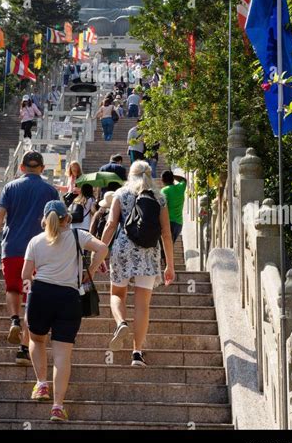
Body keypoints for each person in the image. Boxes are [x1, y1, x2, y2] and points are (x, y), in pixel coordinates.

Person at [22, 200, 107, 422]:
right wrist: (91, 271)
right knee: (62, 355)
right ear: (67, 218)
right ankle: (58, 407)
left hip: (40, 294)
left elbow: (25, 274)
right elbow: (103, 248)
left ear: (44, 219)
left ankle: (41, 384)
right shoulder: (79, 236)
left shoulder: (35, 241)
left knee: (37, 340)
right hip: (69, 298)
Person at [0, 151, 59, 365]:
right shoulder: (50, 191)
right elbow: (59, 224)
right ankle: (23, 349)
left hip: (13, 248)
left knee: (12, 289)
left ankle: (14, 320)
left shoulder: (10, 187)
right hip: (39, 252)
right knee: (30, 299)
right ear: (42, 168)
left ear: (21, 167)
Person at [100, 160, 175, 367]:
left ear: (130, 175)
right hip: (149, 253)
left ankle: (121, 323)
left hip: (123, 249)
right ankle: (137, 353)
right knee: (143, 305)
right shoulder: (159, 198)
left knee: (117, 294)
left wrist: (99, 252)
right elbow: (167, 235)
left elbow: (110, 224)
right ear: (150, 175)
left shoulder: (121, 194)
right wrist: (170, 265)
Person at [161, 171, 187, 243]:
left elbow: (162, 207)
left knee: (165, 248)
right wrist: (173, 175)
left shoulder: (164, 191)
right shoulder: (180, 187)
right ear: (172, 179)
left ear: (162, 180)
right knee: (170, 246)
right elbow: (184, 180)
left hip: (168, 222)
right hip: (178, 224)